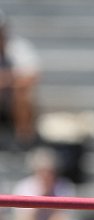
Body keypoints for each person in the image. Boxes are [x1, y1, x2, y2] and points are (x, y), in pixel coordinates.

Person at [11, 148, 77, 220]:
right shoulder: (24, 186)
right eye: (42, 171)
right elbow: (23, 216)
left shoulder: (65, 187)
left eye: (50, 171)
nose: (46, 175)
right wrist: (40, 200)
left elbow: (66, 216)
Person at [0, 10, 41, 149]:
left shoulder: (19, 47)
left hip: (12, 101)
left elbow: (32, 76)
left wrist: (6, 81)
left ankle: (24, 140)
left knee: (22, 94)